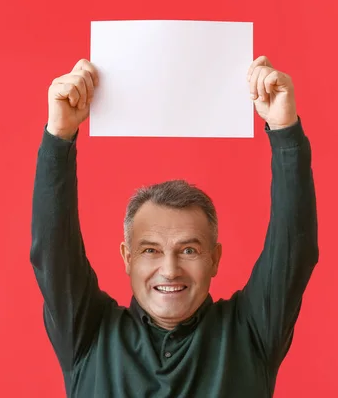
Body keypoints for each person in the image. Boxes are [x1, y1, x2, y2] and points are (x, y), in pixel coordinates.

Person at [30, 55, 319, 398]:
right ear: (127, 257)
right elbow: (53, 253)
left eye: (189, 250)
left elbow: (294, 249)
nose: (170, 269)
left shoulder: (249, 332)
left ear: (214, 259)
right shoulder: (89, 333)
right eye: (150, 250)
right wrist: (59, 135)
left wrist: (285, 131)